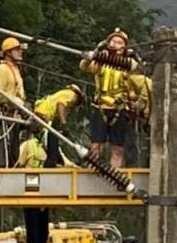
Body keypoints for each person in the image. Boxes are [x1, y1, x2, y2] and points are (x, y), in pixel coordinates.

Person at [80, 28, 138, 168]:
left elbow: (135, 67)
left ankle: (115, 172)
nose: (116, 45)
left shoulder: (128, 63)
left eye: (120, 42)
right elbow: (84, 66)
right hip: (101, 107)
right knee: (96, 145)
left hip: (119, 108)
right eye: (113, 42)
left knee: (117, 148)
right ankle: (91, 172)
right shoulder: (101, 62)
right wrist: (95, 53)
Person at [0, 36, 26, 167]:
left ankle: (12, 172)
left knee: (13, 153)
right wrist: (13, 100)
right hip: (4, 116)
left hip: (14, 116)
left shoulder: (16, 69)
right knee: (2, 153)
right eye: (16, 50)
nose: (20, 52)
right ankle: (0, 176)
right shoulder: (2, 69)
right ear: (8, 52)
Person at [16, 123, 50, 243]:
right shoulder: (48, 148)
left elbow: (20, 162)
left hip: (31, 187)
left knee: (33, 221)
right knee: (42, 221)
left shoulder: (28, 145)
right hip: (45, 188)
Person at [33, 84, 83, 167]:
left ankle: (54, 161)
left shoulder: (62, 94)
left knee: (52, 141)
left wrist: (61, 129)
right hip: (44, 116)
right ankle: (51, 164)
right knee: (52, 146)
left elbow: (57, 114)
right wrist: (64, 124)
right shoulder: (72, 95)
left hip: (41, 113)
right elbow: (61, 104)